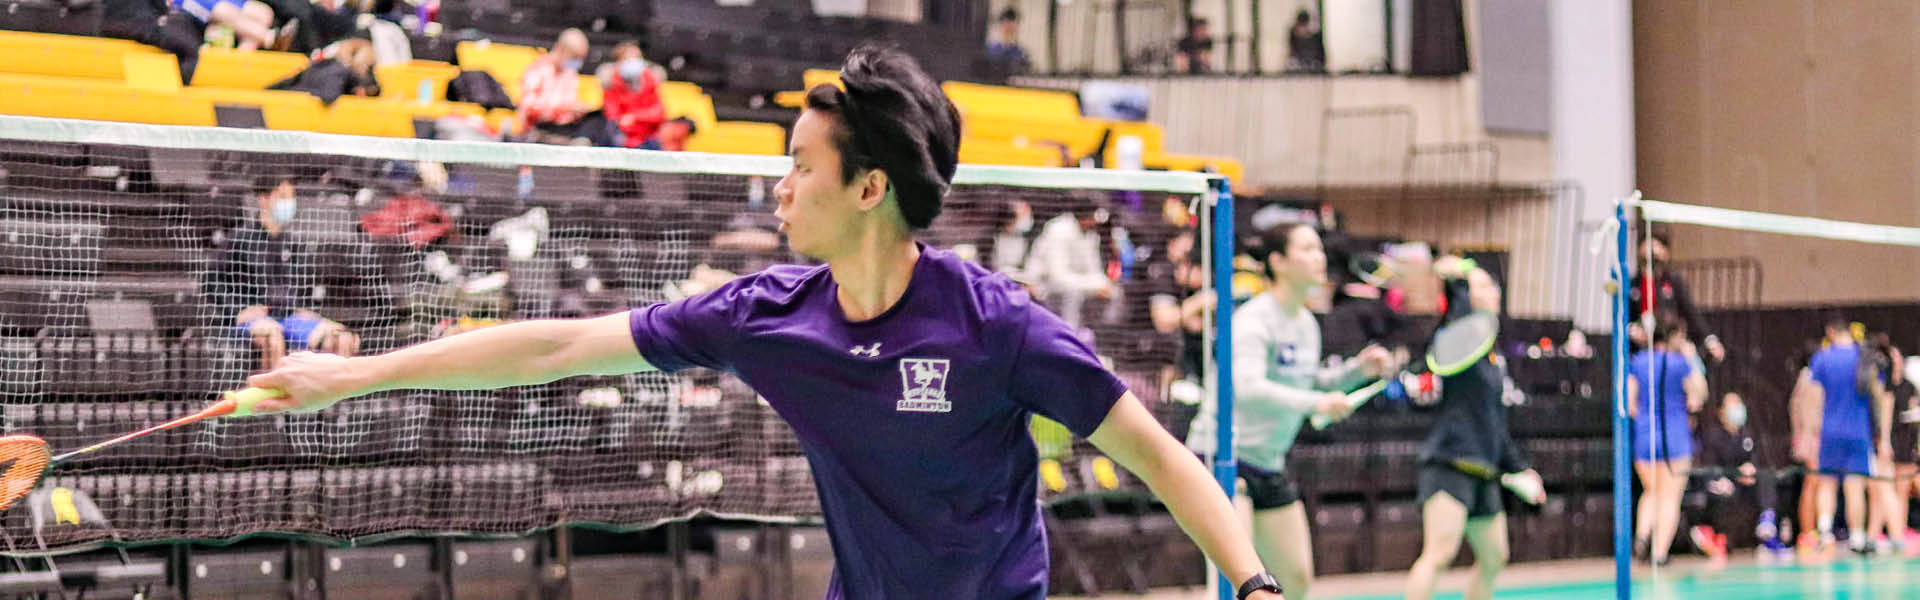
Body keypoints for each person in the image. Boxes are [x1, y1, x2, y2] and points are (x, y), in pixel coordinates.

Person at [241, 46, 1283, 600]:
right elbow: (557, 344)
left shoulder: (995, 325)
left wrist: (1255, 584)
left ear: (870, 188)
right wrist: (359, 373)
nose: (778, 187)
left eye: (799, 166)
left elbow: (1156, 452)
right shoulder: (770, 316)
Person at [1184, 223, 1392, 598]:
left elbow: (1309, 383)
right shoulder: (1253, 320)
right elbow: (1246, 388)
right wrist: (1316, 403)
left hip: (1268, 463)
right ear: (1277, 261)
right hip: (1222, 459)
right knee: (1236, 584)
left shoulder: (1307, 324)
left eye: (1319, 249)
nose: (1320, 257)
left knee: (1296, 580)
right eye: (1308, 249)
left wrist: (1358, 369)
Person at [1404, 257, 1544, 600]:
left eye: (1491, 285)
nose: (1492, 291)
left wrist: (1520, 468)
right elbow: (1458, 311)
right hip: (1449, 464)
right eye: (1481, 285)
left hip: (1484, 468)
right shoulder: (1457, 340)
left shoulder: (1491, 356)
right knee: (1439, 554)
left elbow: (1495, 421)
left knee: (1495, 557)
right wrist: (1458, 277)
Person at [204, 174, 362, 372]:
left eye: (291, 197)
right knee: (272, 336)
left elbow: (300, 287)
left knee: (342, 337)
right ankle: (272, 396)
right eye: (282, 196)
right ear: (263, 198)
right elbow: (210, 279)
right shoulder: (240, 239)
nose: (289, 202)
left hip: (289, 317)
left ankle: (318, 399)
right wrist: (236, 311)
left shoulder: (292, 243)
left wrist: (303, 309)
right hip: (255, 319)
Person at [1796, 318, 1892, 558]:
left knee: (1826, 483)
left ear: (1830, 332)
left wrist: (1810, 430)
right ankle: (1858, 537)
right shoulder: (1864, 358)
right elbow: (1879, 396)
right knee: (1855, 485)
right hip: (1858, 432)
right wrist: (1884, 435)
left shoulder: (1823, 358)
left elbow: (1812, 395)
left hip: (1829, 431)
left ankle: (1825, 533)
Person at [1626, 315, 1706, 565]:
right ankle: (1659, 554)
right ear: (1673, 337)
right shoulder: (1679, 363)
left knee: (1651, 492)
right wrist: (1692, 358)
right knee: (1670, 498)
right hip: (1675, 438)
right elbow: (1699, 393)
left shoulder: (1637, 361)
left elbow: (1630, 404)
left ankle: (1641, 536)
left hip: (1644, 437)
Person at [1688, 392, 1781, 561]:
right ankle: (1717, 539)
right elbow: (1708, 467)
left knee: (1765, 477)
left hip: (1743, 483)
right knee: (1724, 495)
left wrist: (1750, 470)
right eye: (1731, 406)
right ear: (1721, 412)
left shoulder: (1747, 434)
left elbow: (1754, 459)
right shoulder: (1713, 435)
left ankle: (1767, 521)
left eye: (1738, 404)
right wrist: (1721, 479)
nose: (1737, 409)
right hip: (1721, 484)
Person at [1022, 195, 1117, 332]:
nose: (1095, 223)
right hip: (1043, 285)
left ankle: (1100, 337)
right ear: (1084, 216)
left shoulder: (1091, 234)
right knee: (1073, 293)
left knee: (1114, 292)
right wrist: (1093, 286)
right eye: (1093, 218)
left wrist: (1103, 284)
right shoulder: (1058, 229)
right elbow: (1058, 276)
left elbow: (1093, 269)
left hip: (1075, 282)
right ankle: (1070, 337)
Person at [1627, 231, 1725, 363]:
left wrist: (1710, 340)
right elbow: (1625, 316)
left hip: (1669, 342)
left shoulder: (1673, 281)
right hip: (1640, 347)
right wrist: (1633, 330)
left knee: (1689, 354)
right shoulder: (1633, 284)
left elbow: (1691, 312)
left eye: (1656, 250)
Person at [517, 29, 608, 146]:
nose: (578, 62)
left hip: (565, 127)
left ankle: (582, 143)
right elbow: (529, 108)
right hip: (541, 129)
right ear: (561, 49)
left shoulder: (569, 72)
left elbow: (570, 102)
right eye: (575, 57)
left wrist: (577, 110)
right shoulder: (539, 69)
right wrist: (563, 108)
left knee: (598, 118)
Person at [595, 42, 666, 149]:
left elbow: (659, 113)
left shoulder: (650, 82)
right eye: (629, 58)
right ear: (618, 63)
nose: (634, 62)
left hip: (647, 140)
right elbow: (613, 116)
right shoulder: (611, 85)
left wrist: (634, 117)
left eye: (637, 58)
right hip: (621, 141)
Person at [985, 7, 1032, 76]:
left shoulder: (1021, 54)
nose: (1009, 26)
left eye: (1012, 22)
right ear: (1000, 24)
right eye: (1006, 22)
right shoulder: (990, 49)